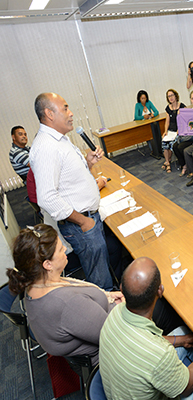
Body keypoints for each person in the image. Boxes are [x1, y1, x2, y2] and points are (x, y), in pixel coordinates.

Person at [6, 225, 182, 365]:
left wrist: (110, 296)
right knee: (165, 306)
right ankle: (185, 344)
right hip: (116, 351)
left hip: (108, 316)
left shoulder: (35, 285)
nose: (66, 250)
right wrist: (127, 306)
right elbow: (118, 335)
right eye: (60, 249)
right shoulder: (67, 304)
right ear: (47, 264)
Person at [99, 257, 193, 400]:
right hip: (167, 383)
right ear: (160, 291)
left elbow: (146, 340)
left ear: (122, 289)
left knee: (183, 332)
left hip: (121, 388)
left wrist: (182, 340)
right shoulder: (159, 354)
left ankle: (185, 368)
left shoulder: (115, 313)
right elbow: (186, 388)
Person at [30, 93, 112, 290]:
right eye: (65, 108)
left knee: (104, 268)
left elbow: (66, 179)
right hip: (81, 224)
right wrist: (84, 221)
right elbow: (47, 198)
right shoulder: (46, 147)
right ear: (49, 113)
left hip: (87, 219)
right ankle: (107, 314)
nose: (71, 113)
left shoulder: (59, 139)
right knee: (101, 284)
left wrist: (88, 164)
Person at [174, 91, 193, 177]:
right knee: (175, 146)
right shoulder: (189, 111)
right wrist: (180, 114)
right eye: (192, 98)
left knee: (181, 147)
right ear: (190, 100)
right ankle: (184, 165)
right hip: (189, 136)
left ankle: (191, 168)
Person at [161, 89, 186, 173]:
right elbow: (167, 122)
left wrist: (180, 130)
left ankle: (168, 161)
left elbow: (185, 121)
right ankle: (168, 161)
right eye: (169, 96)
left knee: (172, 143)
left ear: (176, 96)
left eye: (172, 95)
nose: (171, 98)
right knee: (164, 141)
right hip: (170, 131)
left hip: (179, 131)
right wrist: (165, 131)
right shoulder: (168, 108)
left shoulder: (182, 106)